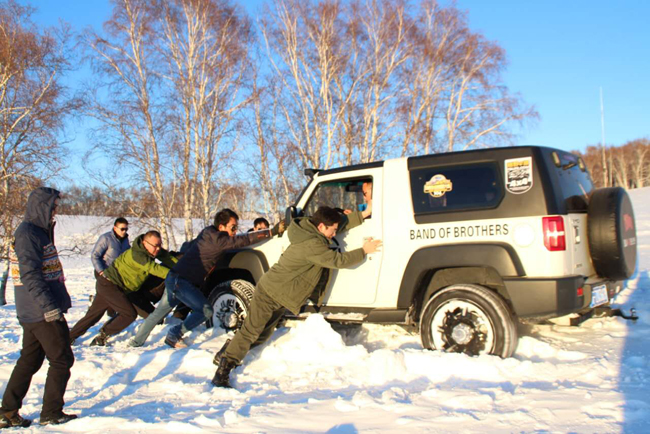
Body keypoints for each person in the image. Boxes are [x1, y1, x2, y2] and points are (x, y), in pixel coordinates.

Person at [211, 205, 381, 388]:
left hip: (280, 295)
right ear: (322, 227)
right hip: (269, 293)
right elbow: (337, 260)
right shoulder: (312, 245)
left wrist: (363, 214)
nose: (334, 234)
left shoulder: (310, 229)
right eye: (332, 230)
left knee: (263, 333)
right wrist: (364, 250)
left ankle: (229, 350)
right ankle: (223, 370)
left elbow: (339, 225)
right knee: (251, 331)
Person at [128, 209, 278, 349]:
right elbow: (241, 241)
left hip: (174, 277)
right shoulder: (219, 240)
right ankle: (174, 334)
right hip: (181, 282)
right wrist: (270, 232)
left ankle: (136, 342)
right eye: (233, 227)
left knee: (159, 313)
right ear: (221, 226)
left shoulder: (208, 232)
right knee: (205, 311)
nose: (235, 231)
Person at [0, 187, 77, 427]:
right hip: (41, 311)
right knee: (62, 359)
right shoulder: (28, 234)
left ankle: (7, 412)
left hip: (33, 310)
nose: (56, 211)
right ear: (42, 207)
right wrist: (49, 307)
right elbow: (30, 275)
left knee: (30, 360)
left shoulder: (37, 232)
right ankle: (51, 412)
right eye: (53, 206)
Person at [69, 231, 177, 346]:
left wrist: (183, 267)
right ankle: (103, 334)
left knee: (93, 315)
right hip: (110, 285)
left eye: (160, 245)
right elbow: (154, 268)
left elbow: (167, 257)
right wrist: (177, 275)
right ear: (145, 243)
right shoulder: (138, 255)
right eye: (155, 246)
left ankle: (70, 337)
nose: (158, 248)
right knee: (129, 314)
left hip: (113, 286)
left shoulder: (150, 249)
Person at [89, 218, 130, 318]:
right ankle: (96, 313)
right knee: (108, 295)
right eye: (122, 229)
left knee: (111, 294)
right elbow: (95, 255)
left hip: (117, 273)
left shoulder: (125, 240)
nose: (124, 231)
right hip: (104, 271)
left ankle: (111, 312)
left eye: (126, 229)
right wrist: (102, 271)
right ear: (115, 228)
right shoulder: (106, 238)